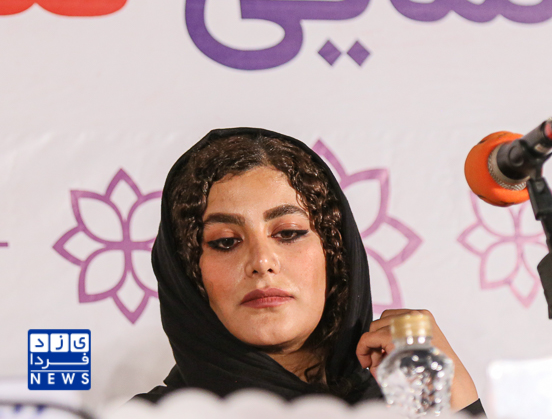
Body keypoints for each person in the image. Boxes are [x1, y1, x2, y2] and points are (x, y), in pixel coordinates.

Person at [135, 128, 482, 413]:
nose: (262, 261)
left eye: (288, 233)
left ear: (336, 253)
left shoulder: (411, 408)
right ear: (186, 273)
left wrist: (460, 405)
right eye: (226, 241)